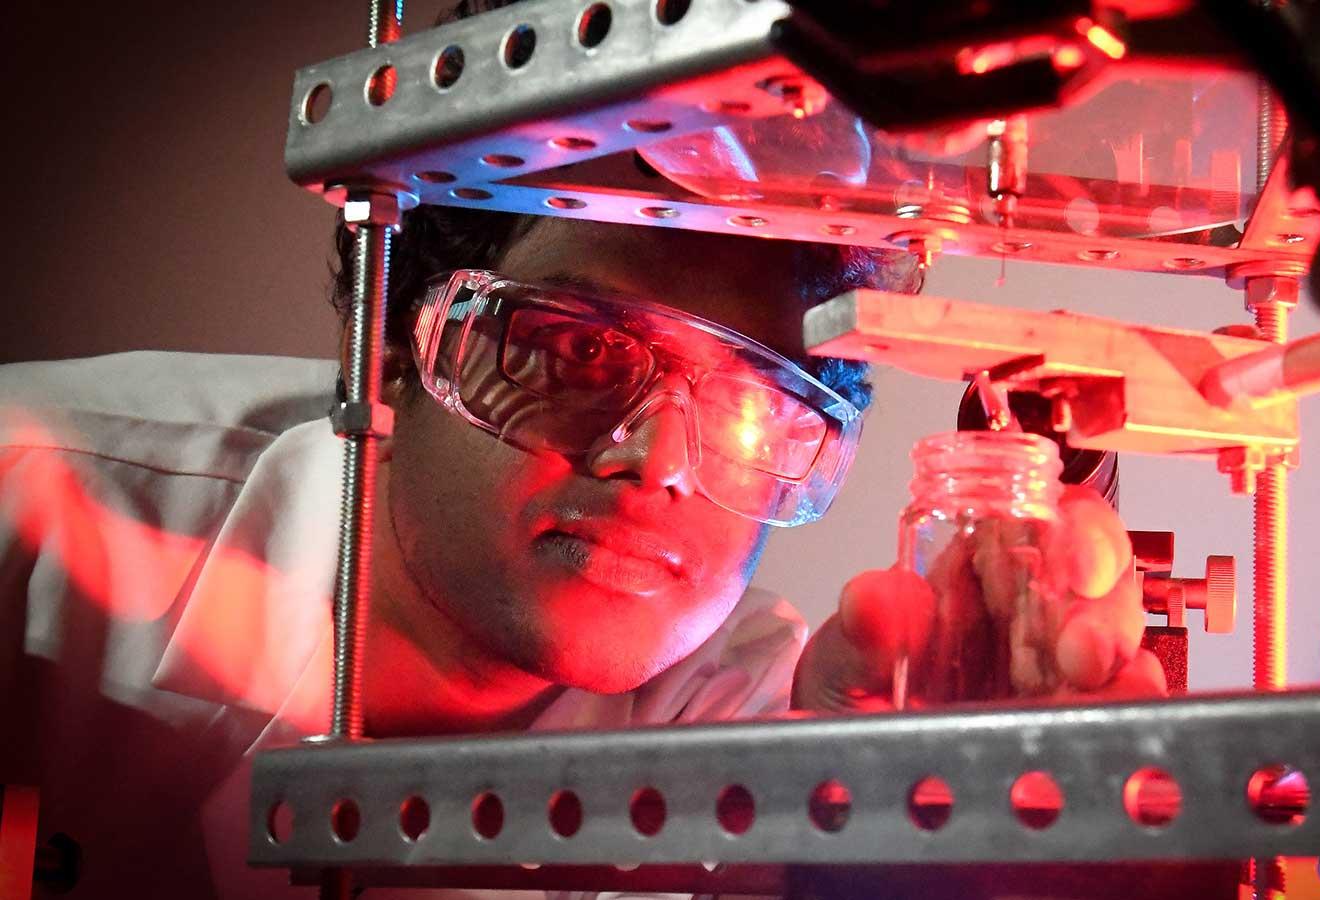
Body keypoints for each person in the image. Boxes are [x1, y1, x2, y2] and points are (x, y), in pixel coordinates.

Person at [0, 25, 1158, 900]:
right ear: (402, 347)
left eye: (753, 403)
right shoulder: (32, 508)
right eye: (576, 353)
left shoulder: (750, 710)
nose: (656, 465)